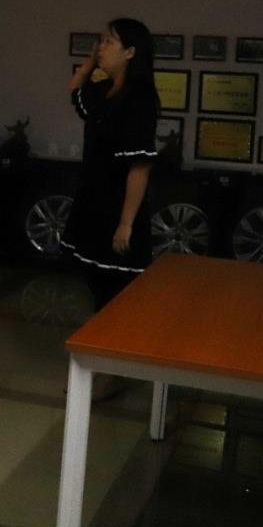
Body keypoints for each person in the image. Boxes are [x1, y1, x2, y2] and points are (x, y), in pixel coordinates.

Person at [62, 18, 159, 312]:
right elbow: (75, 89)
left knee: (117, 291)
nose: (100, 47)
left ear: (129, 52)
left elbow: (140, 167)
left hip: (118, 205)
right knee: (96, 284)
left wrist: (126, 223)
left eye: (108, 42)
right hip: (94, 198)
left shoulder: (140, 97)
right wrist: (91, 62)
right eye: (101, 41)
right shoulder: (104, 90)